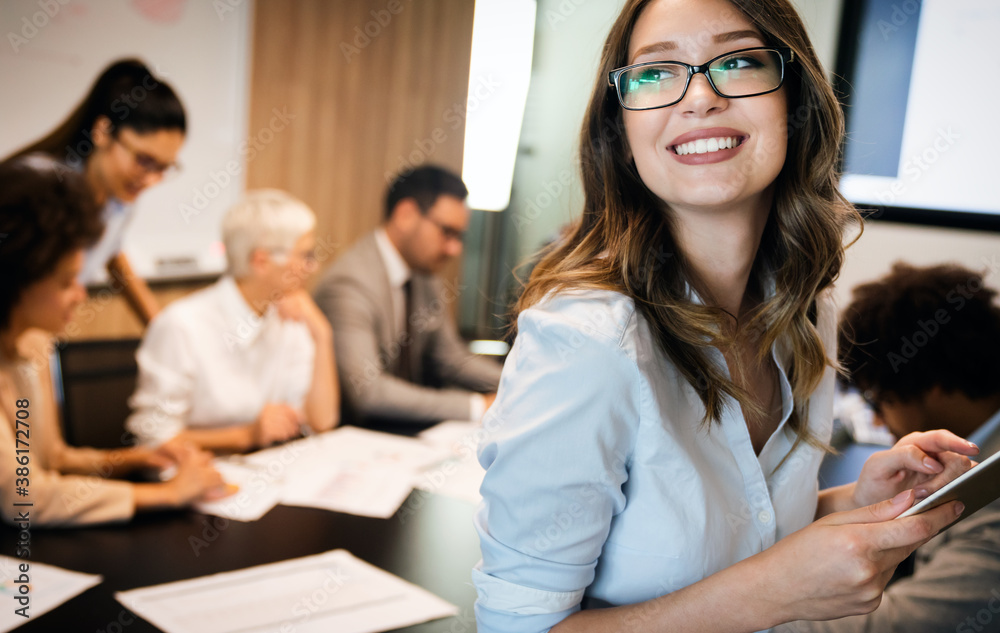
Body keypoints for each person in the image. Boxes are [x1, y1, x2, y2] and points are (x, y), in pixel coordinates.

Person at [472, 1, 978, 632]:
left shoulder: (803, 304)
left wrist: (858, 503)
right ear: (623, 133)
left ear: (796, 104)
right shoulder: (585, 340)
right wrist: (773, 593)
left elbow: (737, 533)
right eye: (656, 73)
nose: (699, 98)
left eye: (737, 61)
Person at [0, 155, 227, 527]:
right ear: (18, 278)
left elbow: (52, 458)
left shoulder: (33, 343)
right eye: (64, 282)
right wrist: (167, 494)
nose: (80, 294)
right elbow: (23, 496)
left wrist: (138, 458)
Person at [776, 263, 1000, 633]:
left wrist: (756, 613)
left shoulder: (991, 494)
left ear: (933, 387)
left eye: (878, 399)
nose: (877, 422)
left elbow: (907, 624)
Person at [126, 189, 339, 453]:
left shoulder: (290, 318)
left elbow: (322, 421)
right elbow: (152, 440)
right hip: (198, 480)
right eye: (305, 256)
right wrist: (245, 435)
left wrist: (322, 333)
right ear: (261, 261)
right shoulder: (182, 325)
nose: (312, 267)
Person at [313, 165, 502, 426]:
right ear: (405, 215)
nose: (454, 248)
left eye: (459, 236)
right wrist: (476, 407)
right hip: (359, 436)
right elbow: (369, 392)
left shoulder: (423, 275)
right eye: (447, 232)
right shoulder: (349, 284)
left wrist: (517, 383)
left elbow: (452, 359)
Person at [7, 58, 187, 325]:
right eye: (145, 161)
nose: (150, 180)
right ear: (103, 131)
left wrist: (157, 325)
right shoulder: (45, 193)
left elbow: (113, 251)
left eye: (163, 167)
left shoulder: (119, 199)